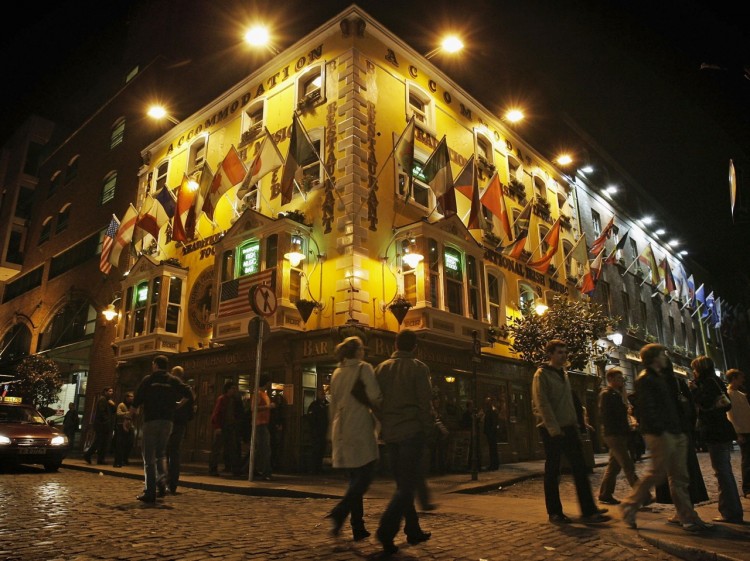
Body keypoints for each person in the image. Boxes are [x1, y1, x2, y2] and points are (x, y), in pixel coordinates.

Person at [619, 344, 713, 532]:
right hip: (661, 434)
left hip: (675, 432)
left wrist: (679, 430)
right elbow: (649, 410)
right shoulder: (644, 379)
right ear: (654, 357)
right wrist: (662, 431)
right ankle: (629, 505)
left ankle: (687, 516)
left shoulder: (662, 377)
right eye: (662, 354)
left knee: (680, 477)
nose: (665, 357)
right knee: (657, 473)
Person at [531, 339, 610, 524]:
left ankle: (589, 510)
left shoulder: (563, 374)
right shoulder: (541, 374)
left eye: (565, 352)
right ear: (550, 354)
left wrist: (577, 423)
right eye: (560, 352)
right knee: (553, 470)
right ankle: (555, 512)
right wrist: (553, 429)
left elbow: (568, 403)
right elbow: (542, 403)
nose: (564, 355)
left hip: (568, 426)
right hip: (551, 429)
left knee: (580, 468)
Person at [374, 329, 432, 556]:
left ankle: (413, 528)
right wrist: (428, 429)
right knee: (407, 486)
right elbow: (424, 403)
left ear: (396, 345)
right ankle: (386, 531)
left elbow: (376, 401)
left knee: (403, 483)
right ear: (414, 347)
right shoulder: (418, 368)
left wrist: (385, 423)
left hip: (391, 435)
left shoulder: (382, 368)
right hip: (412, 432)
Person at [325, 336, 383, 542]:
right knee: (365, 474)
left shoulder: (337, 372)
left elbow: (332, 405)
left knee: (354, 478)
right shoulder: (364, 368)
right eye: (362, 349)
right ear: (358, 351)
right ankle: (340, 511)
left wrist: (330, 434)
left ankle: (357, 526)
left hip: (340, 428)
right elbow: (375, 396)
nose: (364, 353)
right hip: (359, 426)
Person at [131, 354, 193, 503]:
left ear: (155, 365)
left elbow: (137, 400)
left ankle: (150, 491)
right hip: (167, 422)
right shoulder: (173, 380)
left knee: (149, 457)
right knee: (161, 454)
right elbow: (190, 393)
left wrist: (129, 417)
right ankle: (162, 481)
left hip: (151, 420)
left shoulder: (149, 380)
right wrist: (178, 404)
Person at [691, 356, 743, 523]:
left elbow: (705, 405)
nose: (693, 372)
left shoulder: (707, 383)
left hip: (716, 431)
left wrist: (694, 390)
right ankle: (731, 510)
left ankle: (730, 512)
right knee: (724, 470)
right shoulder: (716, 381)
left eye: (695, 368)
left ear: (700, 369)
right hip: (722, 430)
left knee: (722, 472)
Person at [654, 359, 708, 508]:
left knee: (671, 474)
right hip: (683, 432)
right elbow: (691, 409)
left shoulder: (655, 384)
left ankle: (683, 512)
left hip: (667, 434)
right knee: (684, 472)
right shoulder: (679, 382)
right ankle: (687, 507)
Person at [598, 369, 639, 505]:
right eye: (618, 378)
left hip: (619, 434)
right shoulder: (607, 394)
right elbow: (607, 416)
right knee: (628, 464)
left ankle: (605, 494)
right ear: (610, 379)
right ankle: (642, 495)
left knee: (614, 466)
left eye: (622, 378)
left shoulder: (617, 394)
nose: (621, 380)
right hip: (614, 434)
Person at [167, 366, 196, 493]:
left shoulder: (175, 388)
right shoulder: (184, 388)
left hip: (173, 422)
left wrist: (178, 404)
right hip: (179, 423)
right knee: (173, 452)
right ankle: (171, 483)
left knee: (170, 452)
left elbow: (190, 398)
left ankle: (169, 482)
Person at [209, 381, 243, 476]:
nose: (234, 390)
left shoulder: (233, 399)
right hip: (222, 426)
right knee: (217, 448)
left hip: (230, 427)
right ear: (227, 389)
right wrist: (217, 427)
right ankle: (213, 469)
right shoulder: (222, 399)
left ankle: (235, 469)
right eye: (232, 388)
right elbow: (216, 413)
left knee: (233, 448)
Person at [726, 369, 750, 499]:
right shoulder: (728, 394)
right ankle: (747, 488)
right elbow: (731, 416)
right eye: (741, 378)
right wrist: (737, 433)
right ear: (734, 378)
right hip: (742, 431)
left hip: (748, 429)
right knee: (747, 461)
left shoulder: (741, 394)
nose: (743, 380)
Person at [251, 374, 274, 481]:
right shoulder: (258, 394)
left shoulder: (264, 394)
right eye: (269, 382)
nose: (270, 384)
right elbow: (253, 408)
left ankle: (251, 469)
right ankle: (266, 472)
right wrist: (268, 406)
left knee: (260, 449)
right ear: (266, 383)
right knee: (265, 449)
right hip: (259, 424)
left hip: (264, 423)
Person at [83, 387, 115, 465]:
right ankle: (88, 455)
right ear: (105, 392)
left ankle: (100, 459)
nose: (111, 393)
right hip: (102, 425)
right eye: (110, 391)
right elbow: (102, 412)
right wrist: (107, 421)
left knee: (104, 442)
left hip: (107, 425)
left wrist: (113, 405)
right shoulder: (102, 400)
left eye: (112, 391)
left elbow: (114, 412)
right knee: (99, 442)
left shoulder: (109, 401)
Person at [307, 388, 329, 474]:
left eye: (324, 394)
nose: (323, 396)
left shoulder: (326, 404)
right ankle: (313, 468)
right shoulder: (314, 405)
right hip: (316, 431)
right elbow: (311, 418)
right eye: (321, 394)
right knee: (315, 450)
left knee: (321, 450)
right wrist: (313, 428)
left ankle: (319, 467)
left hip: (324, 430)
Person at [113, 392, 134, 468]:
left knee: (130, 443)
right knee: (120, 443)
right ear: (126, 397)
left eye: (133, 396)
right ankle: (119, 460)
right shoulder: (121, 405)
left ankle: (125, 458)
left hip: (130, 426)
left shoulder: (132, 406)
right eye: (131, 396)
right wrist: (127, 413)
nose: (132, 398)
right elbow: (118, 413)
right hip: (121, 425)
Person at [483, 396, 500, 471]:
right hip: (490, 432)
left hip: (491, 432)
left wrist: (491, 432)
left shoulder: (492, 410)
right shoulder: (489, 410)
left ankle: (494, 465)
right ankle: (494, 464)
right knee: (492, 449)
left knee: (493, 449)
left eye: (487, 402)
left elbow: (494, 422)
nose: (486, 404)